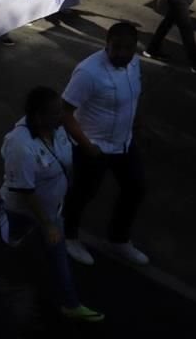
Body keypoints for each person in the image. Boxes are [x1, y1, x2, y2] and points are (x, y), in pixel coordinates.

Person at [1, 86, 104, 322]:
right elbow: (26, 191)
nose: (63, 116)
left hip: (50, 210)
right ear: (39, 117)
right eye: (56, 112)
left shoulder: (55, 129)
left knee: (48, 253)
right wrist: (48, 224)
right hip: (24, 211)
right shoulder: (21, 146)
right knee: (16, 242)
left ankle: (70, 303)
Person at [62, 22, 148, 267]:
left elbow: (134, 97)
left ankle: (118, 240)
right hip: (93, 146)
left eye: (127, 49)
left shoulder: (135, 64)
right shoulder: (88, 73)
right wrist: (87, 146)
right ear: (106, 45)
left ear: (135, 48)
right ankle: (69, 237)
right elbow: (65, 112)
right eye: (116, 48)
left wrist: (138, 125)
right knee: (83, 194)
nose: (121, 54)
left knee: (135, 188)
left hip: (123, 143)